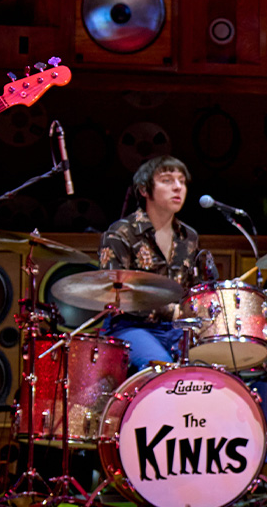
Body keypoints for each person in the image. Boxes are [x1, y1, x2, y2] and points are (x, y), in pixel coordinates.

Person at [99, 155, 199, 371]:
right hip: (130, 327)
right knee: (164, 371)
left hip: (177, 330)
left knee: (214, 368)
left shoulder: (188, 237)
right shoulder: (121, 233)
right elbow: (115, 295)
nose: (178, 187)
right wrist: (171, 311)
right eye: (167, 180)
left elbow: (194, 290)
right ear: (144, 190)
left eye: (182, 181)